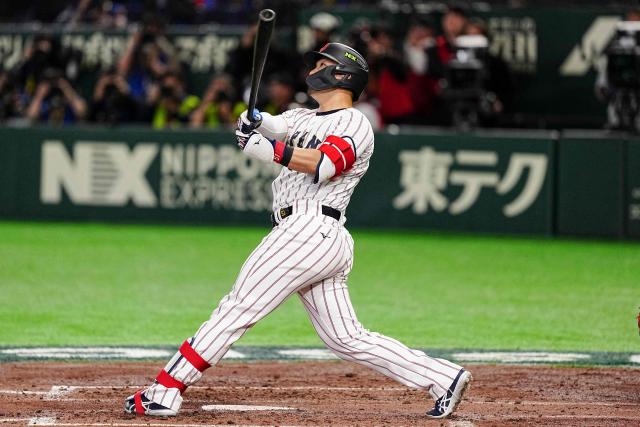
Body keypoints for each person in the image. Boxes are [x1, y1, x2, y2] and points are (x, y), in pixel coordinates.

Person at [124, 42, 471, 420]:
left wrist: (268, 149)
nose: (313, 69)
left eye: (322, 63)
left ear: (342, 74)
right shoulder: (306, 117)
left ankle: (166, 389)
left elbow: (324, 163)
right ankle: (443, 376)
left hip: (309, 229)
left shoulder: (354, 122)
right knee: (346, 338)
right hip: (315, 237)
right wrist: (253, 120)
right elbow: (277, 124)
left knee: (237, 308)